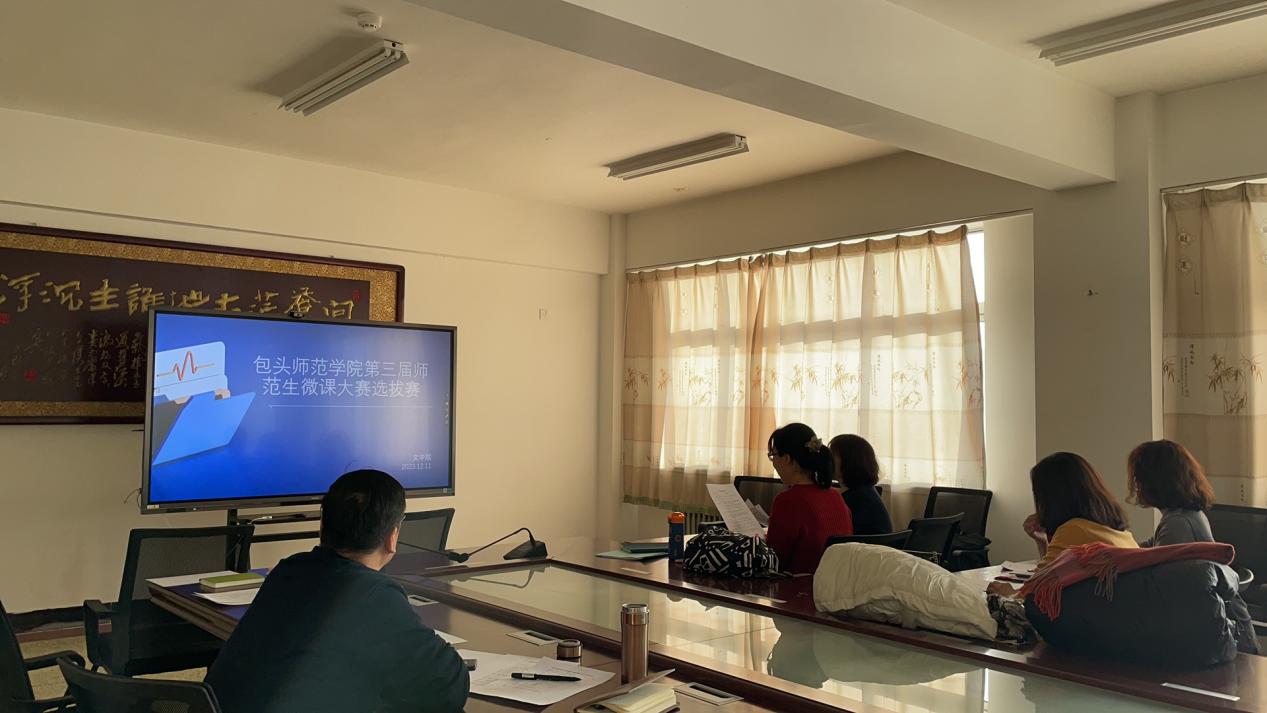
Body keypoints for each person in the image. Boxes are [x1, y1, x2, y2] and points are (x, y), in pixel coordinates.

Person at [205, 470, 469, 713]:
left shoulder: (288, 570)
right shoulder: (374, 594)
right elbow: (450, 687)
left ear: (322, 528)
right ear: (392, 537)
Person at [1023, 452, 1138, 571]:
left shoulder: (1073, 530)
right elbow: (1051, 576)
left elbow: (1038, 582)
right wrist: (1042, 542)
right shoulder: (1121, 534)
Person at [765, 423, 854, 574]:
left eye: (773, 455)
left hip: (797, 584)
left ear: (787, 458)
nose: (773, 461)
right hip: (832, 583)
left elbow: (774, 560)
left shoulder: (788, 500)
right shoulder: (835, 495)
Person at [1127, 439, 1215, 547]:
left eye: (1138, 476)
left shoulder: (1178, 523)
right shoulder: (1184, 516)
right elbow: (1149, 547)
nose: (1136, 483)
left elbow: (1156, 555)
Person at [829, 434, 893, 536]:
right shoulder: (865, 491)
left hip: (860, 546)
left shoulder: (853, 499)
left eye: (832, 456)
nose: (828, 461)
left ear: (849, 461)